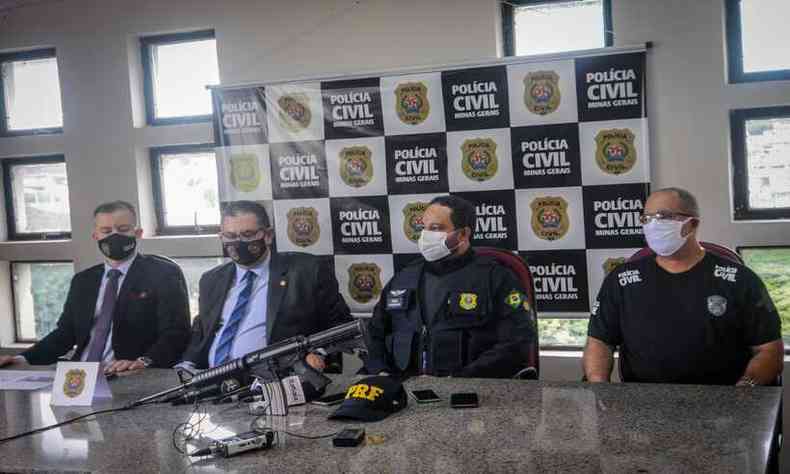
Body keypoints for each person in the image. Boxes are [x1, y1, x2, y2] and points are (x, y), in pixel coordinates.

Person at [583, 187, 783, 386]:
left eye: (662, 216)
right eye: (646, 219)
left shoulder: (740, 280)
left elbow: (769, 350)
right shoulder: (621, 280)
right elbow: (599, 342)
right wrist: (600, 389)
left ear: (692, 223)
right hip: (643, 402)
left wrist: (744, 391)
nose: (653, 225)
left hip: (723, 403)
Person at [0, 201, 191, 373]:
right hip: (78, 376)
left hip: (127, 374)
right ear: (96, 235)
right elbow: (65, 334)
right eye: (106, 231)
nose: (114, 236)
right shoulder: (83, 281)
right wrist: (22, 359)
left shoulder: (162, 274)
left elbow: (176, 333)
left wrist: (144, 362)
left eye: (123, 229)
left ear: (137, 233)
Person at [364, 195, 535, 378]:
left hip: (469, 391)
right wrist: (380, 372)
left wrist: (459, 380)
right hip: (401, 390)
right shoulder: (404, 277)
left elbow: (518, 342)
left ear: (463, 234)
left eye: (436, 228)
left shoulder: (497, 277)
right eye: (424, 228)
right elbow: (374, 333)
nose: (426, 235)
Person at [178, 200, 352, 372]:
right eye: (230, 236)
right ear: (221, 237)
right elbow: (201, 333)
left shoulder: (308, 271)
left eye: (247, 235)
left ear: (268, 235)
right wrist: (186, 364)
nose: (238, 242)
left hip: (280, 378)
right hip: (213, 379)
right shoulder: (211, 280)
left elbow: (341, 326)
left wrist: (317, 353)